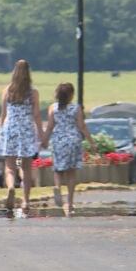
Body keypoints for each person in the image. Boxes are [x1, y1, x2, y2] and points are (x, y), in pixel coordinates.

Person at [0, 60, 43, 214]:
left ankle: (10, 187)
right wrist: (41, 132)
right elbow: (36, 114)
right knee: (26, 168)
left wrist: (3, 130)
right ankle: (26, 201)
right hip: (26, 129)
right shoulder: (32, 92)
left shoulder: (8, 90)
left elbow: (3, 114)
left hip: (11, 128)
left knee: (9, 166)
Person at [42, 83, 95, 216]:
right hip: (73, 141)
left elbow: (49, 127)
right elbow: (82, 126)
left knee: (58, 170)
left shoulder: (53, 108)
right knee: (71, 173)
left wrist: (44, 140)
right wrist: (91, 142)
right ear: (71, 95)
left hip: (58, 141)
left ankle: (57, 187)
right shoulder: (75, 108)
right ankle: (70, 203)